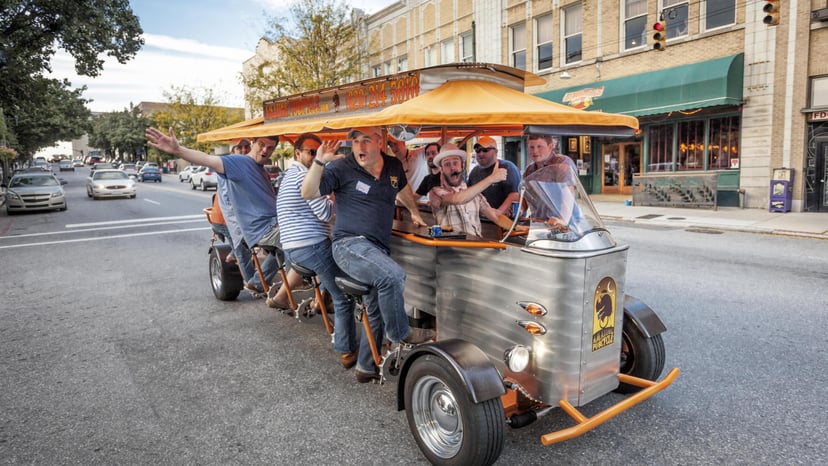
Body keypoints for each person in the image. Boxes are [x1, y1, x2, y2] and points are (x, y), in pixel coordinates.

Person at [301, 126, 432, 383]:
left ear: (380, 142)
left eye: (365, 140)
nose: (359, 146)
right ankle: (401, 334)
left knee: (376, 306)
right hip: (348, 245)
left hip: (377, 249)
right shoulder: (341, 168)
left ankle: (366, 367)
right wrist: (319, 161)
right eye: (355, 141)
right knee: (393, 276)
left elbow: (402, 189)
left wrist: (414, 212)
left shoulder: (393, 165)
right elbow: (308, 192)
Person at [145, 128, 304, 302]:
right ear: (253, 143)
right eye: (261, 144)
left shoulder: (260, 168)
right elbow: (208, 160)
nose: (265, 150)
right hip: (261, 229)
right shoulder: (239, 162)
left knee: (291, 244)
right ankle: (295, 281)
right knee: (299, 239)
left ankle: (261, 282)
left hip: (273, 225)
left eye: (270, 147)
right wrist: (179, 150)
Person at [277, 133, 358, 369]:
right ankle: (346, 350)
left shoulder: (291, 173)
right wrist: (338, 197)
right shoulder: (304, 176)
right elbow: (324, 213)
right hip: (310, 245)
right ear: (297, 153)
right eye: (311, 152)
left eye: (317, 152)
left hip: (295, 249)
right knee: (344, 295)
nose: (315, 157)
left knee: (336, 271)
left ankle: (323, 301)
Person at [428, 144, 528, 237]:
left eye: (455, 163)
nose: (452, 168)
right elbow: (458, 199)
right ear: (441, 169)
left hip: (475, 248)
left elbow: (496, 215)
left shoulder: (474, 194)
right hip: (450, 250)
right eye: (447, 164)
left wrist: (516, 227)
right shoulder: (435, 192)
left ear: (462, 165)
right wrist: (491, 178)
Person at [467, 136, 521, 217]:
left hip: (504, 221)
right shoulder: (474, 171)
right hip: (482, 220)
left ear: (496, 151)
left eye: (485, 150)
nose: (481, 154)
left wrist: (497, 214)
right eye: (478, 150)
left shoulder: (507, 167)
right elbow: (468, 194)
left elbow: (515, 195)